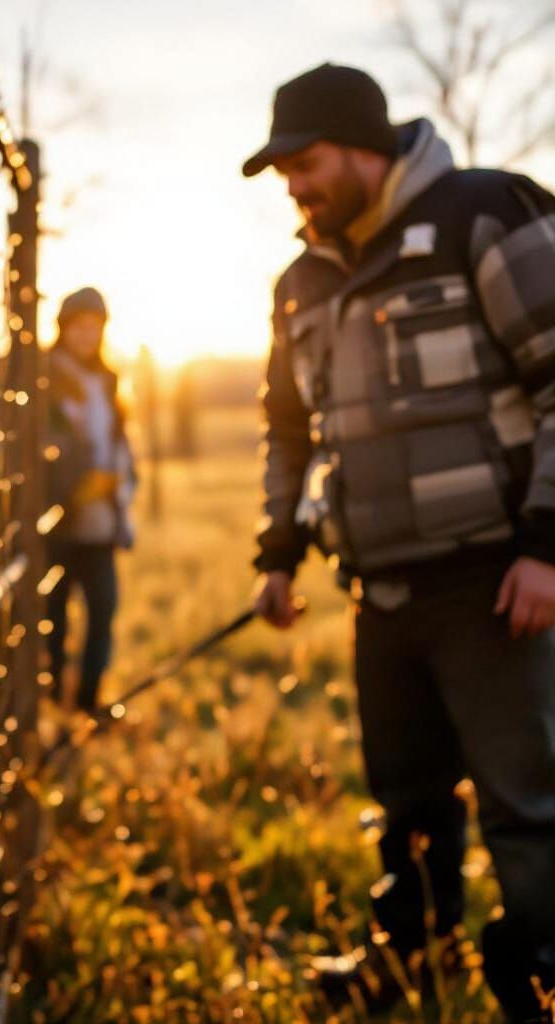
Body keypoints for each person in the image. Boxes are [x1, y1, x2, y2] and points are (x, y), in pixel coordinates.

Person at [244, 63, 555, 1023]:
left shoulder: (486, 217)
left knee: (528, 804)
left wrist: (547, 546)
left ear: (367, 145)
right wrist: (278, 554)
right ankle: (411, 954)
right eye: (282, 169)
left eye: (307, 161)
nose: (293, 184)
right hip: (378, 594)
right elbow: (292, 430)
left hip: (499, 583)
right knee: (408, 797)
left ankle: (542, 975)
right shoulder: (300, 282)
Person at [43, 287, 136, 713]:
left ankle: (88, 702)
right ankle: (52, 697)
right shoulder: (45, 377)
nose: (88, 336)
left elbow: (117, 443)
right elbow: (43, 445)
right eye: (79, 327)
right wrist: (70, 481)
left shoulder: (108, 381)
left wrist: (119, 483)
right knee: (53, 616)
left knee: (103, 610)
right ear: (64, 329)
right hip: (57, 519)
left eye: (95, 328)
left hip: (99, 518)